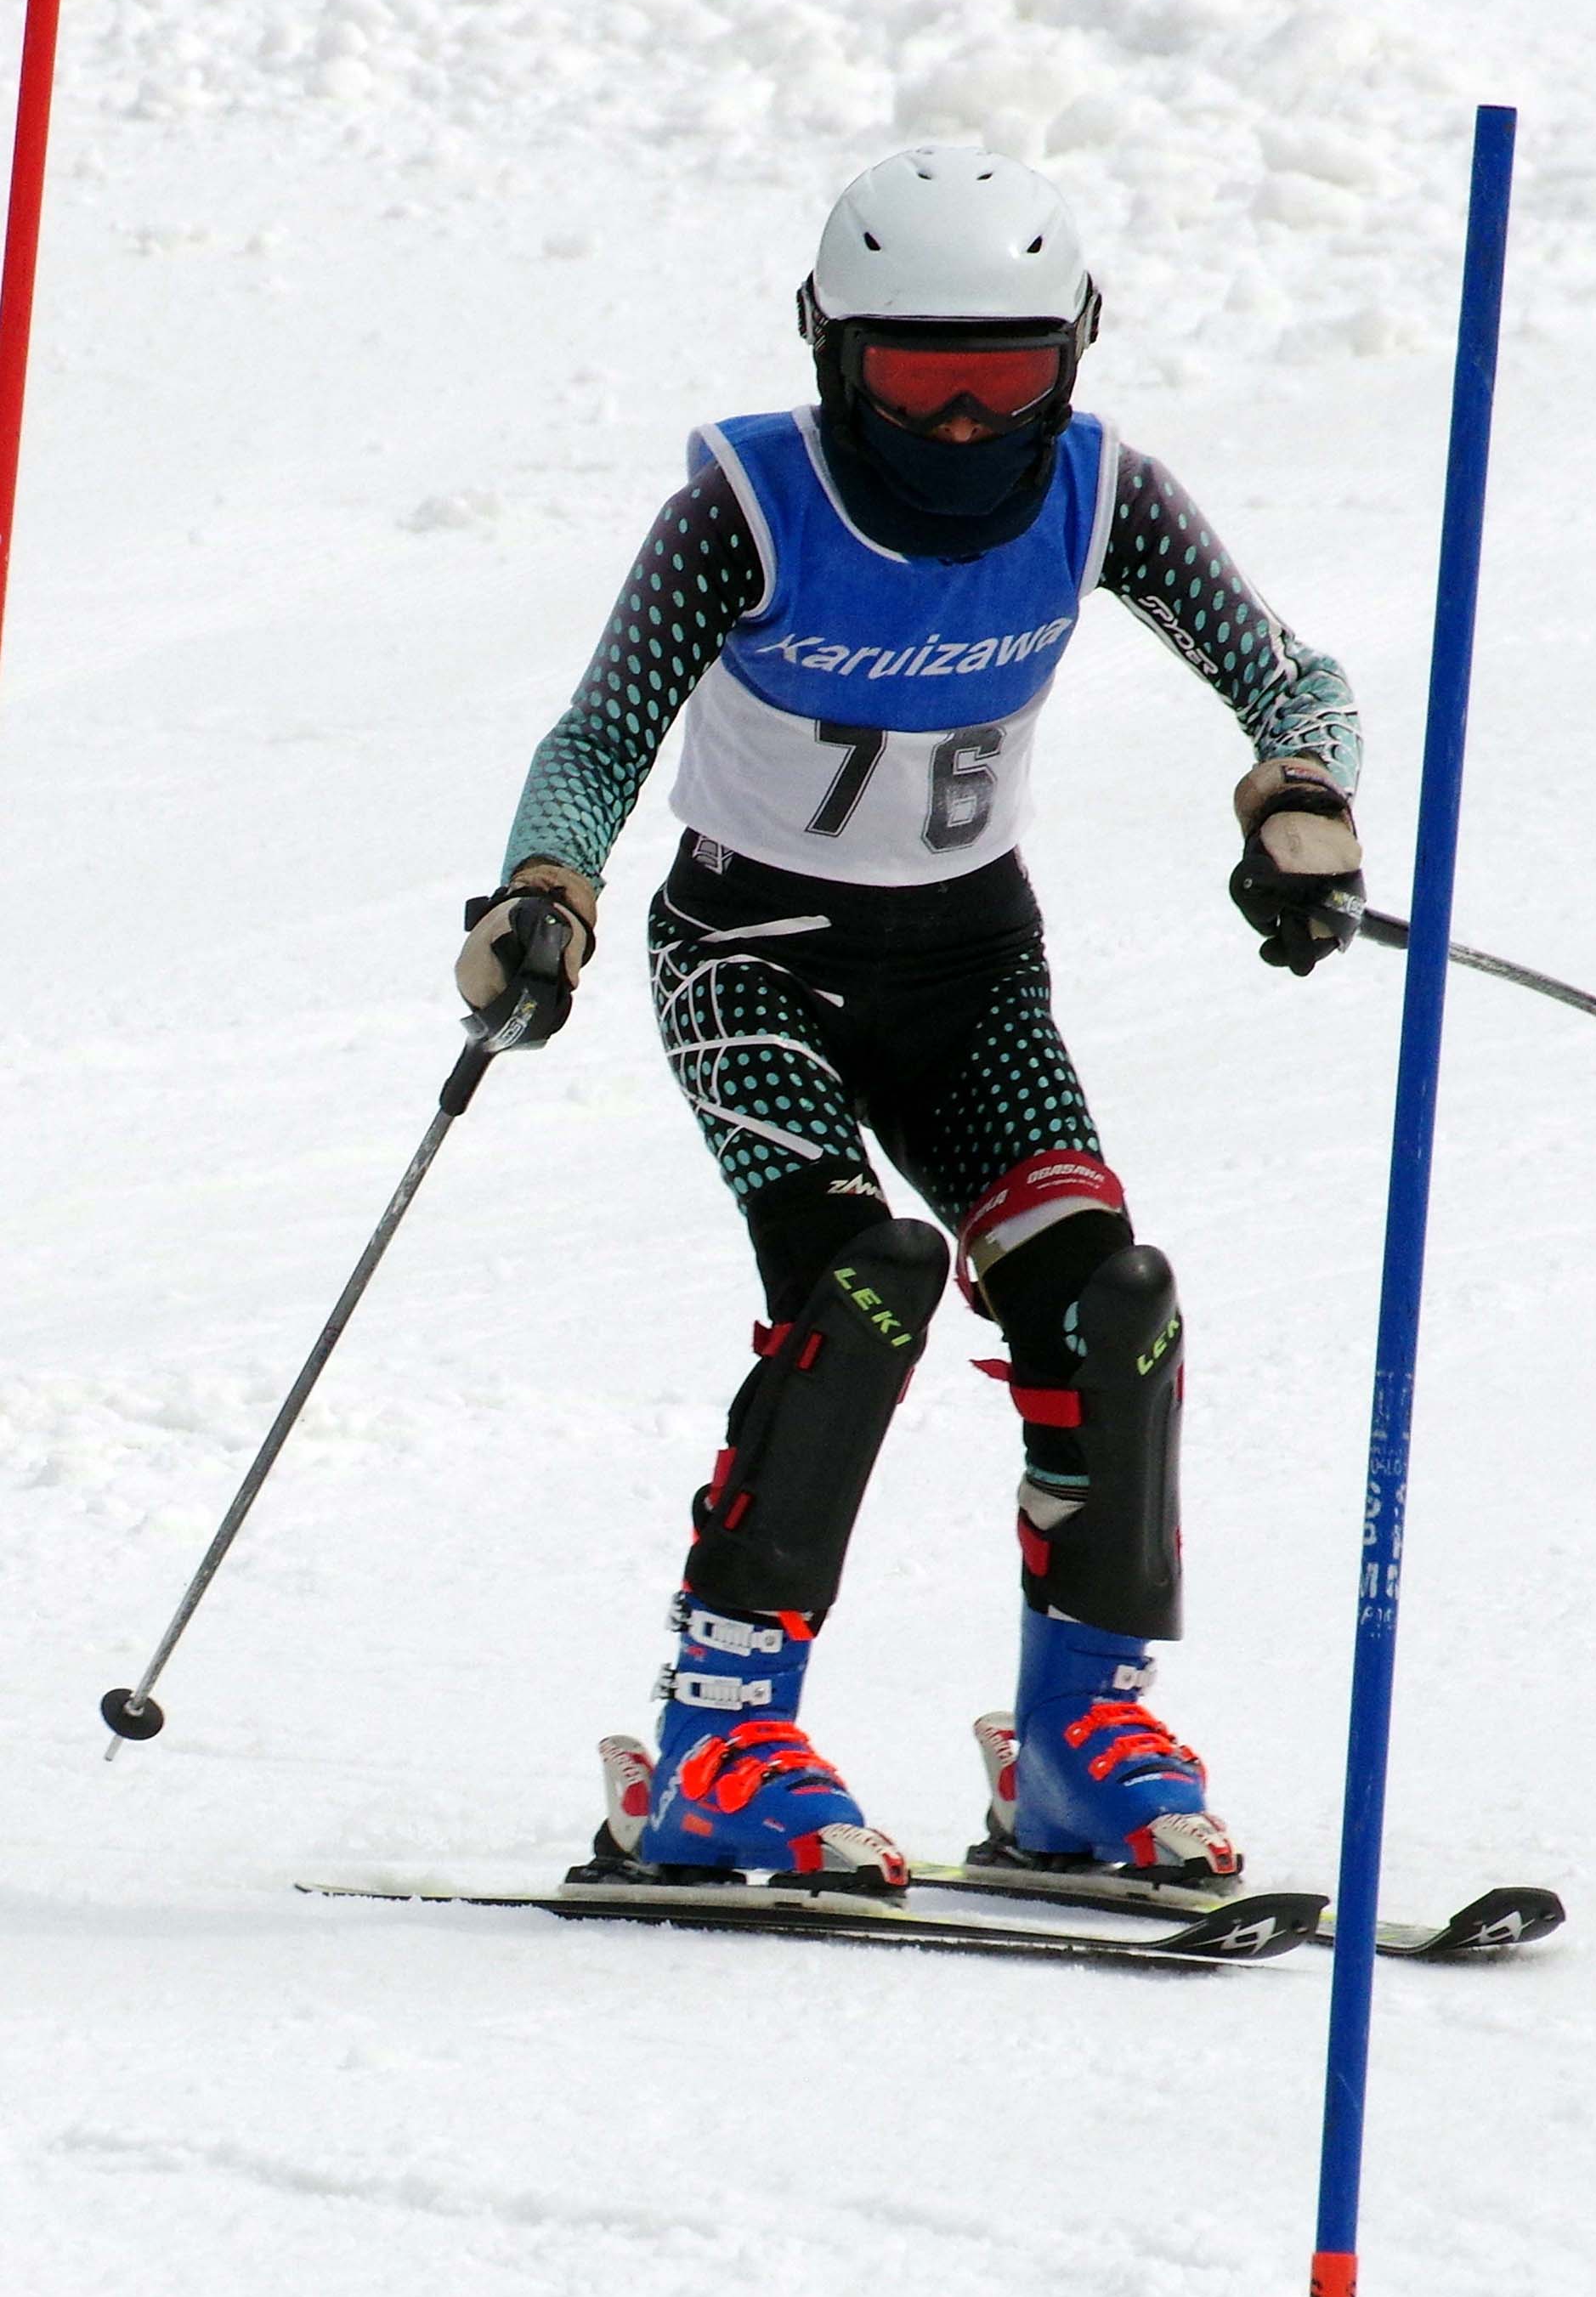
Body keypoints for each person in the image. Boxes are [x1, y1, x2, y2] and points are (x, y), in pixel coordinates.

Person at [456, 144, 1364, 1895]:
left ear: (1074, 354)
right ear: (829, 352)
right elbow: (597, 737)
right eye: (917, 376)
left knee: (1107, 1301)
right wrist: (544, 890)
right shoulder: (747, 506)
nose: (959, 423)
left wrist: (1302, 793)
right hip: (751, 955)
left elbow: (1290, 673)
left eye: (1003, 379)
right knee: (855, 1285)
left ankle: (1078, 1743)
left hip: (969, 968)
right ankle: (715, 1742)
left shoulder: (1101, 493)